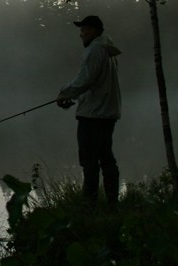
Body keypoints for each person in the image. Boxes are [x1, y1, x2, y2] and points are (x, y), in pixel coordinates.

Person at [56, 15, 122, 206]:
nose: (81, 34)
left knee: (90, 162)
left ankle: (89, 205)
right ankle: (112, 204)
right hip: (106, 113)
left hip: (94, 115)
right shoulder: (106, 51)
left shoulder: (95, 50)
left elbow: (85, 80)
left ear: (93, 31)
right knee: (106, 159)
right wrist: (73, 97)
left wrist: (63, 94)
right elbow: (95, 83)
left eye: (83, 30)